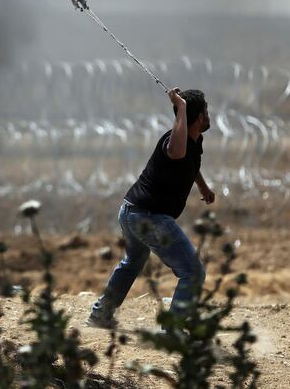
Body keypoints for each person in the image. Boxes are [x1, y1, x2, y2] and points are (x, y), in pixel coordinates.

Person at [87, 88, 214, 328]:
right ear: (198, 118)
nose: (209, 116)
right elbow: (177, 153)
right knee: (193, 272)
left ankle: (100, 314)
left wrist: (204, 188)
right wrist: (182, 108)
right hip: (148, 217)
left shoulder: (195, 141)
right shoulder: (174, 141)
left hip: (131, 211)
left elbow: (190, 164)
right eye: (206, 111)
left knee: (134, 260)